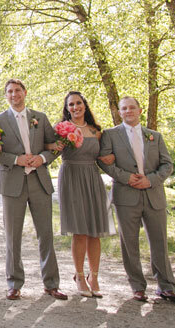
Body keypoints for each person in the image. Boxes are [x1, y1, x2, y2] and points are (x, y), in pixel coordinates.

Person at [0, 78, 65, 301]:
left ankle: (51, 284)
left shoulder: (40, 117)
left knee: (46, 234)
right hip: (13, 183)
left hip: (39, 181)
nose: (13, 94)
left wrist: (42, 158)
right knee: (13, 236)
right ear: (6, 95)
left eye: (17, 90)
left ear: (25, 92)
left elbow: (56, 146)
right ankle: (14, 283)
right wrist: (17, 160)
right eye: (9, 91)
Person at [98, 96, 175, 304]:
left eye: (132, 107)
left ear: (140, 110)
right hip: (126, 196)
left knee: (159, 242)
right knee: (130, 244)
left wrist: (151, 180)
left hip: (153, 195)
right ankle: (137, 287)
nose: (128, 111)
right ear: (119, 112)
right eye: (124, 108)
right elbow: (104, 163)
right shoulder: (110, 135)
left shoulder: (155, 136)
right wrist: (126, 178)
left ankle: (166, 287)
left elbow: (167, 165)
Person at [50, 91, 111, 298]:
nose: (75, 107)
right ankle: (79, 275)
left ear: (84, 105)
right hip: (72, 177)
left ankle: (94, 276)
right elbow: (51, 151)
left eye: (78, 103)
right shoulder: (61, 129)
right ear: (67, 108)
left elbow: (102, 158)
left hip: (92, 178)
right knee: (80, 230)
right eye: (71, 105)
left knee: (95, 230)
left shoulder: (96, 131)